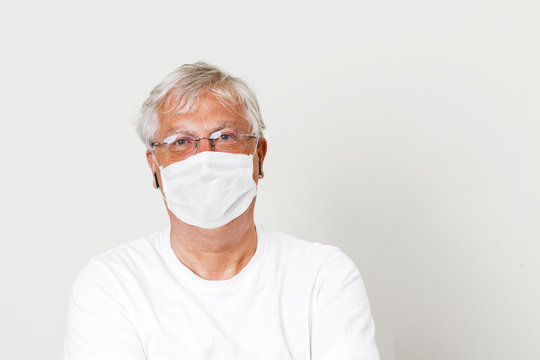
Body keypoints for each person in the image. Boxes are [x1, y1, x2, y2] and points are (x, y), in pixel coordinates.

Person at [64, 62, 380, 360]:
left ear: (259, 155)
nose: (204, 159)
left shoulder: (322, 277)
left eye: (224, 137)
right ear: (154, 167)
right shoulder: (112, 285)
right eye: (180, 141)